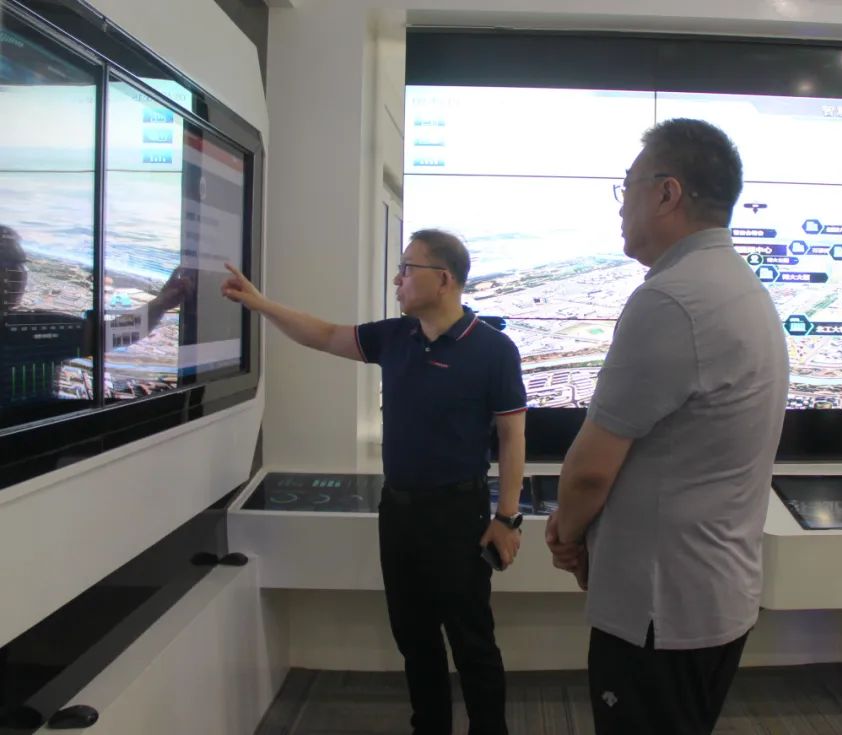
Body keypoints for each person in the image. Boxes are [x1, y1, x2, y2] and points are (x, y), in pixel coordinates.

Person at [221, 228, 526, 735]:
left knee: (471, 639)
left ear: (443, 279)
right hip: (399, 512)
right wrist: (260, 303)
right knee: (414, 637)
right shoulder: (395, 336)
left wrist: (507, 518)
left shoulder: (493, 350)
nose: (397, 279)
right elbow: (323, 334)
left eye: (407, 269)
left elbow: (513, 438)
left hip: (458, 515)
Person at [545, 119, 790, 735]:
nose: (620, 204)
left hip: (660, 609)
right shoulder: (741, 288)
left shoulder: (670, 299)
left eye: (626, 185)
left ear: (666, 193)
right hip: (716, 594)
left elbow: (589, 472)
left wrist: (567, 536)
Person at [0, 224, 191, 414]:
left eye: (20, 264)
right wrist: (160, 304)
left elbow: (110, 334)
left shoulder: (33, 326)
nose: (18, 273)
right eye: (8, 265)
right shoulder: (31, 328)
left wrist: (161, 303)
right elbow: (112, 335)